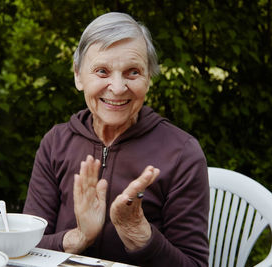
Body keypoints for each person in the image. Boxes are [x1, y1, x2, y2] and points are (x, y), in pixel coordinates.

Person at [23, 12, 209, 267]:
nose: (118, 87)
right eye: (102, 71)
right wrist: (78, 238)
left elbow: (194, 264)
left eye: (133, 72)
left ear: (149, 78)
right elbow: (27, 244)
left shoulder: (182, 153)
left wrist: (139, 235)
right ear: (78, 76)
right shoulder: (56, 142)